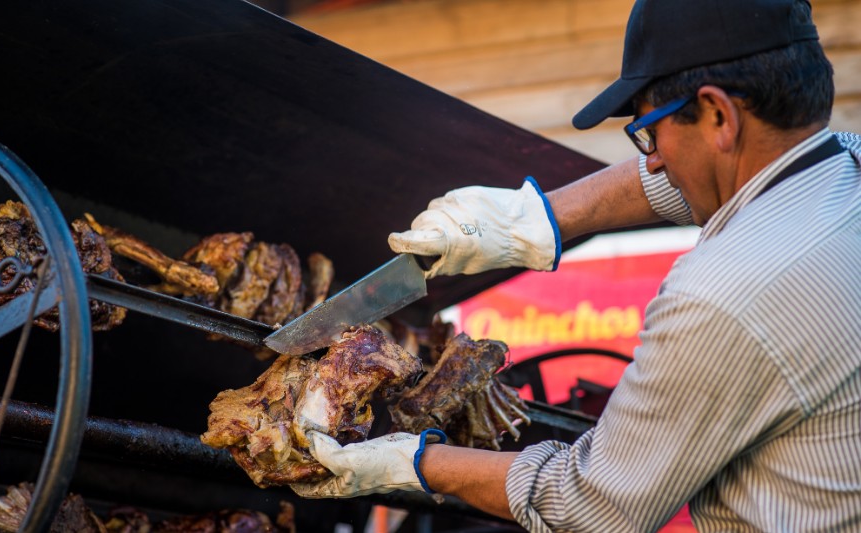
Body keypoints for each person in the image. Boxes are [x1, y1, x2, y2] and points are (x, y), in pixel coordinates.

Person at [290, 0, 861, 530]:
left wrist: (415, 463)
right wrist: (536, 219)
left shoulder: (725, 292)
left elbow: (591, 505)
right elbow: (695, 183)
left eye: (648, 133)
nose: (653, 160)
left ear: (717, 115)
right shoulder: (846, 166)